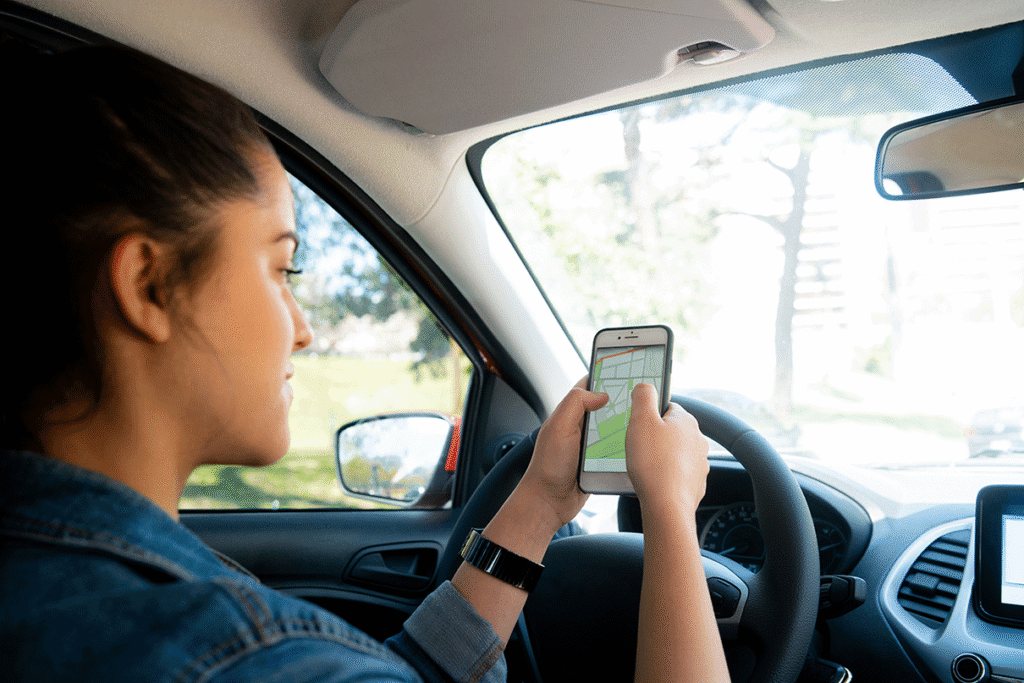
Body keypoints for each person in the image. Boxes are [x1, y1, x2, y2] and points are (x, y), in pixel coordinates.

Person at [0, 45, 728, 682]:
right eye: (281, 267)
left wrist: (541, 501)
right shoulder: (238, 654)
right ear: (148, 286)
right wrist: (668, 515)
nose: (304, 330)